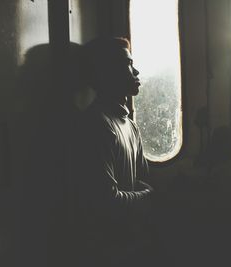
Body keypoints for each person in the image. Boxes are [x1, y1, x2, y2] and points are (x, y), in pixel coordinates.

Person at [72, 37, 155, 267]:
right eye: (128, 64)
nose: (136, 71)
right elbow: (105, 201)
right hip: (108, 253)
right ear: (107, 73)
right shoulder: (96, 125)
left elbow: (141, 180)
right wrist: (148, 197)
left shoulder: (129, 124)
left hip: (132, 243)